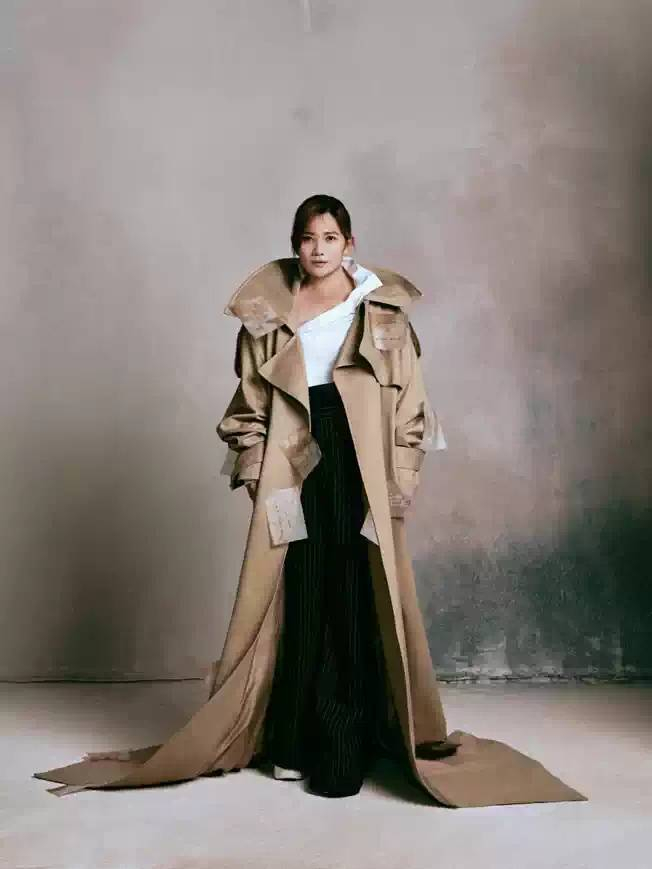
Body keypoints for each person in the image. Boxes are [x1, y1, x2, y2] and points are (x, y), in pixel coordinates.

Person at [33, 195, 587, 808]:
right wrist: (256, 474)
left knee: (354, 587)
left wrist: (400, 480)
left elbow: (411, 405)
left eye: (330, 238)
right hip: (291, 461)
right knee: (297, 587)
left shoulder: (381, 311)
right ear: (295, 244)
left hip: (360, 459)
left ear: (350, 244)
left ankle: (346, 740)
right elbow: (248, 407)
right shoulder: (266, 315)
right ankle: (291, 739)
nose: (318, 249)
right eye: (307, 238)